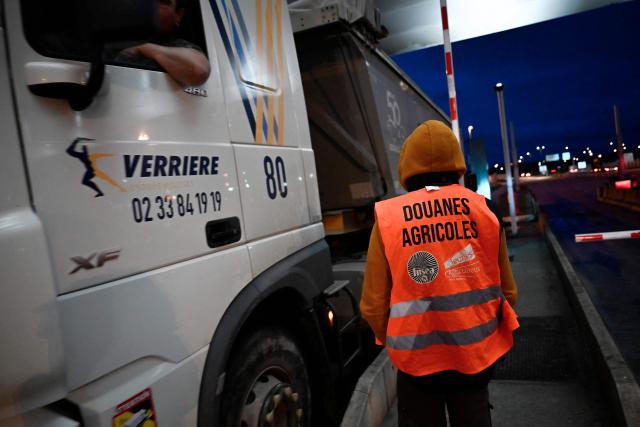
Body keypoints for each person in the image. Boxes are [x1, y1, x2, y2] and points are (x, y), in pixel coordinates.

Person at [360, 120, 519, 427]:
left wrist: (395, 343)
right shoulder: (483, 210)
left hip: (417, 366)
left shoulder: (389, 218)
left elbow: (373, 304)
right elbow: (508, 292)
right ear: (456, 164)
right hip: (475, 359)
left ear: (407, 166)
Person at [113, 0, 210, 86]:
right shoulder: (108, 37)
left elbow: (198, 70)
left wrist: (142, 47)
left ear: (178, 15)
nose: (151, 6)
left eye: (163, 2)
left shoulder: (177, 47)